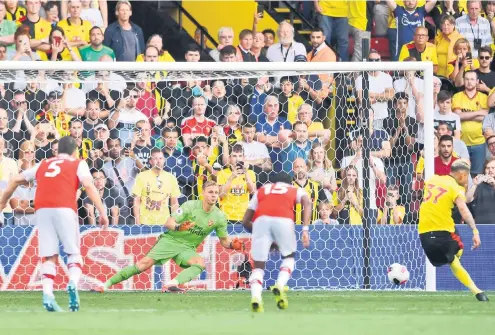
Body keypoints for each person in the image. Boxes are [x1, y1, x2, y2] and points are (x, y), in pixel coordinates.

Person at [0, 136, 109, 312]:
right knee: (73, 253)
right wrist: (102, 211)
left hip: (42, 209)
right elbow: (88, 185)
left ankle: (48, 294)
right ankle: (73, 283)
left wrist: (1, 203)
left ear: (58, 151)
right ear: (75, 151)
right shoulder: (78, 163)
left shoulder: (44, 164)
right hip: (65, 207)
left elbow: (13, 181)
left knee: (49, 255)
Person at [97, 181, 244, 293]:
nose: (213, 195)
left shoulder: (219, 216)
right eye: (210, 192)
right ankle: (106, 285)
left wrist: (232, 245)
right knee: (143, 264)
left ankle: (172, 283)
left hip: (187, 248)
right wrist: (180, 227)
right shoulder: (190, 206)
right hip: (170, 240)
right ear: (203, 193)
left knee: (200, 262)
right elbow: (168, 223)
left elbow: (225, 241)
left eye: (216, 193)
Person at [418, 159, 488, 302]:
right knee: (456, 252)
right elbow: (463, 208)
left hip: (424, 235)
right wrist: (475, 231)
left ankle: (478, 292)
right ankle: (477, 291)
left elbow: (464, 198)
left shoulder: (432, 179)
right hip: (443, 233)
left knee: (452, 261)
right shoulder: (456, 188)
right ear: (462, 175)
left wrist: (473, 184)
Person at [242, 172, 311, 312]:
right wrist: (305, 229)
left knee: (258, 266)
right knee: (289, 257)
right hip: (283, 219)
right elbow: (307, 202)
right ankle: (279, 285)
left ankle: (256, 298)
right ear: (290, 182)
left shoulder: (262, 190)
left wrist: (264, 235)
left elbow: (245, 221)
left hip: (260, 220)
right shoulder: (293, 189)